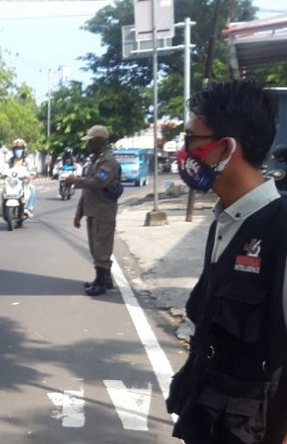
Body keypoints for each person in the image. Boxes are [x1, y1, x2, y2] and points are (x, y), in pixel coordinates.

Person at [165, 79, 287, 444]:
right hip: (210, 423)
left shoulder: (280, 229)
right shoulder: (226, 222)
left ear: (225, 149)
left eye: (191, 140)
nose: (183, 152)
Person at [64, 125, 121, 297]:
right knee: (95, 247)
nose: (88, 145)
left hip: (103, 211)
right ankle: (105, 279)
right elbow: (88, 190)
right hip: (92, 210)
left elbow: (98, 182)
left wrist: (75, 180)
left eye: (91, 141)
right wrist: (79, 212)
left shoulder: (109, 161)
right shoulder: (96, 160)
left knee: (101, 246)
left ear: (99, 141)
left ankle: (100, 282)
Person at [0, 138, 36, 219]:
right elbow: (3, 169)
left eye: (20, 149)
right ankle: (0, 208)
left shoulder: (27, 161)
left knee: (33, 188)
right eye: (16, 149)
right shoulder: (9, 161)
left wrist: (31, 175)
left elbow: (32, 170)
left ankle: (28, 208)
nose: (18, 151)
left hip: (23, 182)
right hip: (10, 182)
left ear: (23, 150)